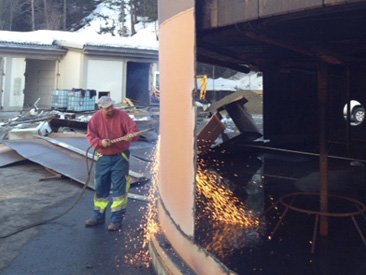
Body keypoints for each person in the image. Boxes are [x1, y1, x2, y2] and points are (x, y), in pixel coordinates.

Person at [85, 96, 139, 231]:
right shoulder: (95, 119)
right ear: (100, 108)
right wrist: (100, 143)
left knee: (119, 189)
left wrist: (131, 135)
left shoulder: (122, 116)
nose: (111, 109)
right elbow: (91, 136)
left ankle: (116, 220)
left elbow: (134, 131)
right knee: (100, 186)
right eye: (107, 108)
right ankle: (98, 216)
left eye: (111, 106)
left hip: (120, 157)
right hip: (103, 157)